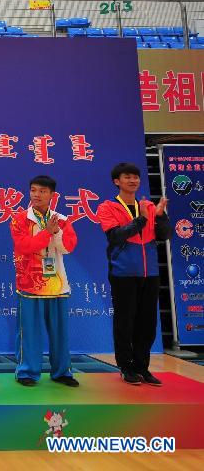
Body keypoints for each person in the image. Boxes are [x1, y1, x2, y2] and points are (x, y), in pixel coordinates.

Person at [97, 162, 170, 386]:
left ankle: (143, 367)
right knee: (125, 322)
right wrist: (142, 219)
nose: (133, 180)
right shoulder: (107, 207)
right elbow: (116, 236)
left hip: (150, 274)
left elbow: (164, 235)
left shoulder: (148, 205)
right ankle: (126, 367)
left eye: (136, 177)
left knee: (147, 323)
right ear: (116, 181)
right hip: (123, 273)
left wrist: (160, 217)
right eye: (127, 177)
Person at [10, 175, 79, 387]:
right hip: (29, 284)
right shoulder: (20, 219)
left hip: (56, 283)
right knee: (29, 331)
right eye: (33, 190)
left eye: (42, 191)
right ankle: (27, 372)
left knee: (60, 332)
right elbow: (24, 246)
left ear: (52, 195)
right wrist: (46, 233)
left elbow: (68, 247)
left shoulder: (62, 220)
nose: (36, 195)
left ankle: (62, 372)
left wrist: (55, 232)